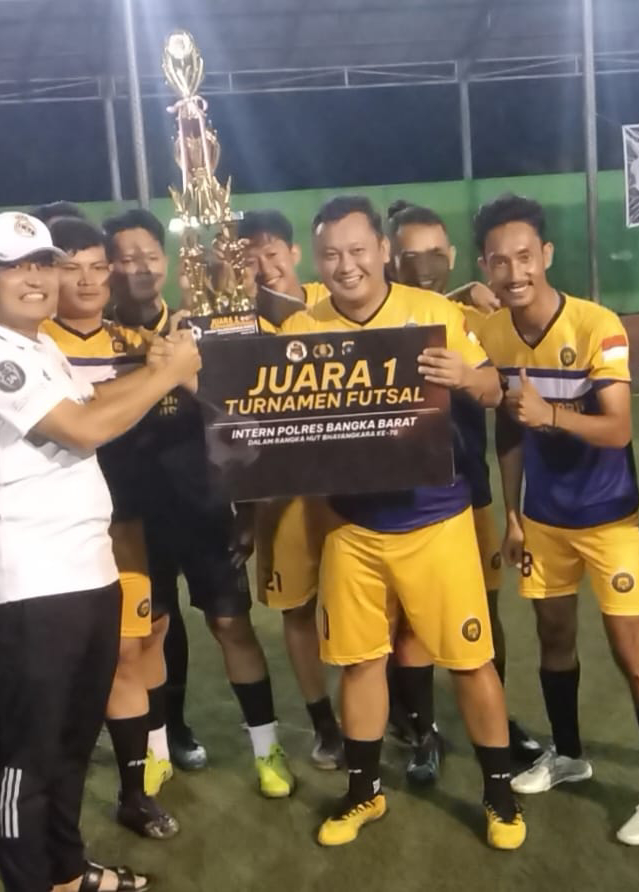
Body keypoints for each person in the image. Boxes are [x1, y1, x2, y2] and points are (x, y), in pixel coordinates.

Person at [0, 211, 200, 892]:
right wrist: (168, 374)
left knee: (72, 741)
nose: (33, 278)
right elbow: (85, 428)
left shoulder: (36, 347)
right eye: (12, 267)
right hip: (34, 580)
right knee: (29, 755)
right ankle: (30, 880)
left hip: (86, 569)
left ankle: (64, 870)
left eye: (41, 264)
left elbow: (94, 399)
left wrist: (154, 367)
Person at [283, 196, 524, 850]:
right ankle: (364, 792)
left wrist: (467, 376)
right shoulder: (303, 328)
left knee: (471, 661)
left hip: (435, 519)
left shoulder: (436, 313)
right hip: (352, 526)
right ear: (316, 259)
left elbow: (495, 389)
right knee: (361, 663)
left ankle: (499, 794)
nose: (346, 265)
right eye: (331, 254)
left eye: (358, 250)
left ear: (383, 252)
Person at [469, 194, 639, 845]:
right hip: (543, 518)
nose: (514, 272)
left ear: (547, 255)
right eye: (499, 261)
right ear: (485, 266)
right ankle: (567, 755)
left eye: (524, 256)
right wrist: (513, 516)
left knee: (630, 650)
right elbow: (509, 433)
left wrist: (550, 415)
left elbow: (618, 429)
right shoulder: (493, 333)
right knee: (553, 636)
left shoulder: (596, 325)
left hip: (608, 518)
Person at [102, 208, 295, 797]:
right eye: (124, 258)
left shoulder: (201, 330)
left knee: (231, 625)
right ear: (108, 267)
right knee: (150, 633)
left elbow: (242, 419)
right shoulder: (95, 340)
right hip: (133, 519)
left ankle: (267, 750)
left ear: (165, 262)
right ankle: (159, 751)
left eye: (148, 255)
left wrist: (247, 511)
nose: (138, 268)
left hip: (206, 509)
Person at [384, 202, 542, 781]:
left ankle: (496, 718)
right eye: (410, 255)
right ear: (389, 258)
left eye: (435, 254)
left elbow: (502, 390)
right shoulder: (371, 318)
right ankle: (419, 729)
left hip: (466, 489)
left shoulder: (476, 319)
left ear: (453, 256)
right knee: (409, 625)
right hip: (399, 500)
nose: (424, 266)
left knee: (485, 611)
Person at [43, 216, 180, 839]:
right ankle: (22, 789)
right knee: (55, 669)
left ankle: (135, 792)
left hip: (124, 525)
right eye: (70, 268)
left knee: (130, 652)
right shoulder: (33, 346)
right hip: (51, 530)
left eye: (98, 267)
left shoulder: (136, 343)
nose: (88, 280)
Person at [232, 209, 344, 771]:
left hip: (345, 492)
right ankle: (325, 723)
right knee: (297, 610)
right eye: (250, 257)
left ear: (296, 254)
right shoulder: (234, 325)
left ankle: (397, 710)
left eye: (272, 252)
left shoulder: (333, 300)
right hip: (280, 500)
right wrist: (246, 515)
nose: (264, 265)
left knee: (364, 604)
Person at [236, 209, 329, 306]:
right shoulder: (245, 312)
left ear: (294, 254)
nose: (266, 270)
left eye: (272, 255)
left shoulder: (330, 297)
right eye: (251, 262)